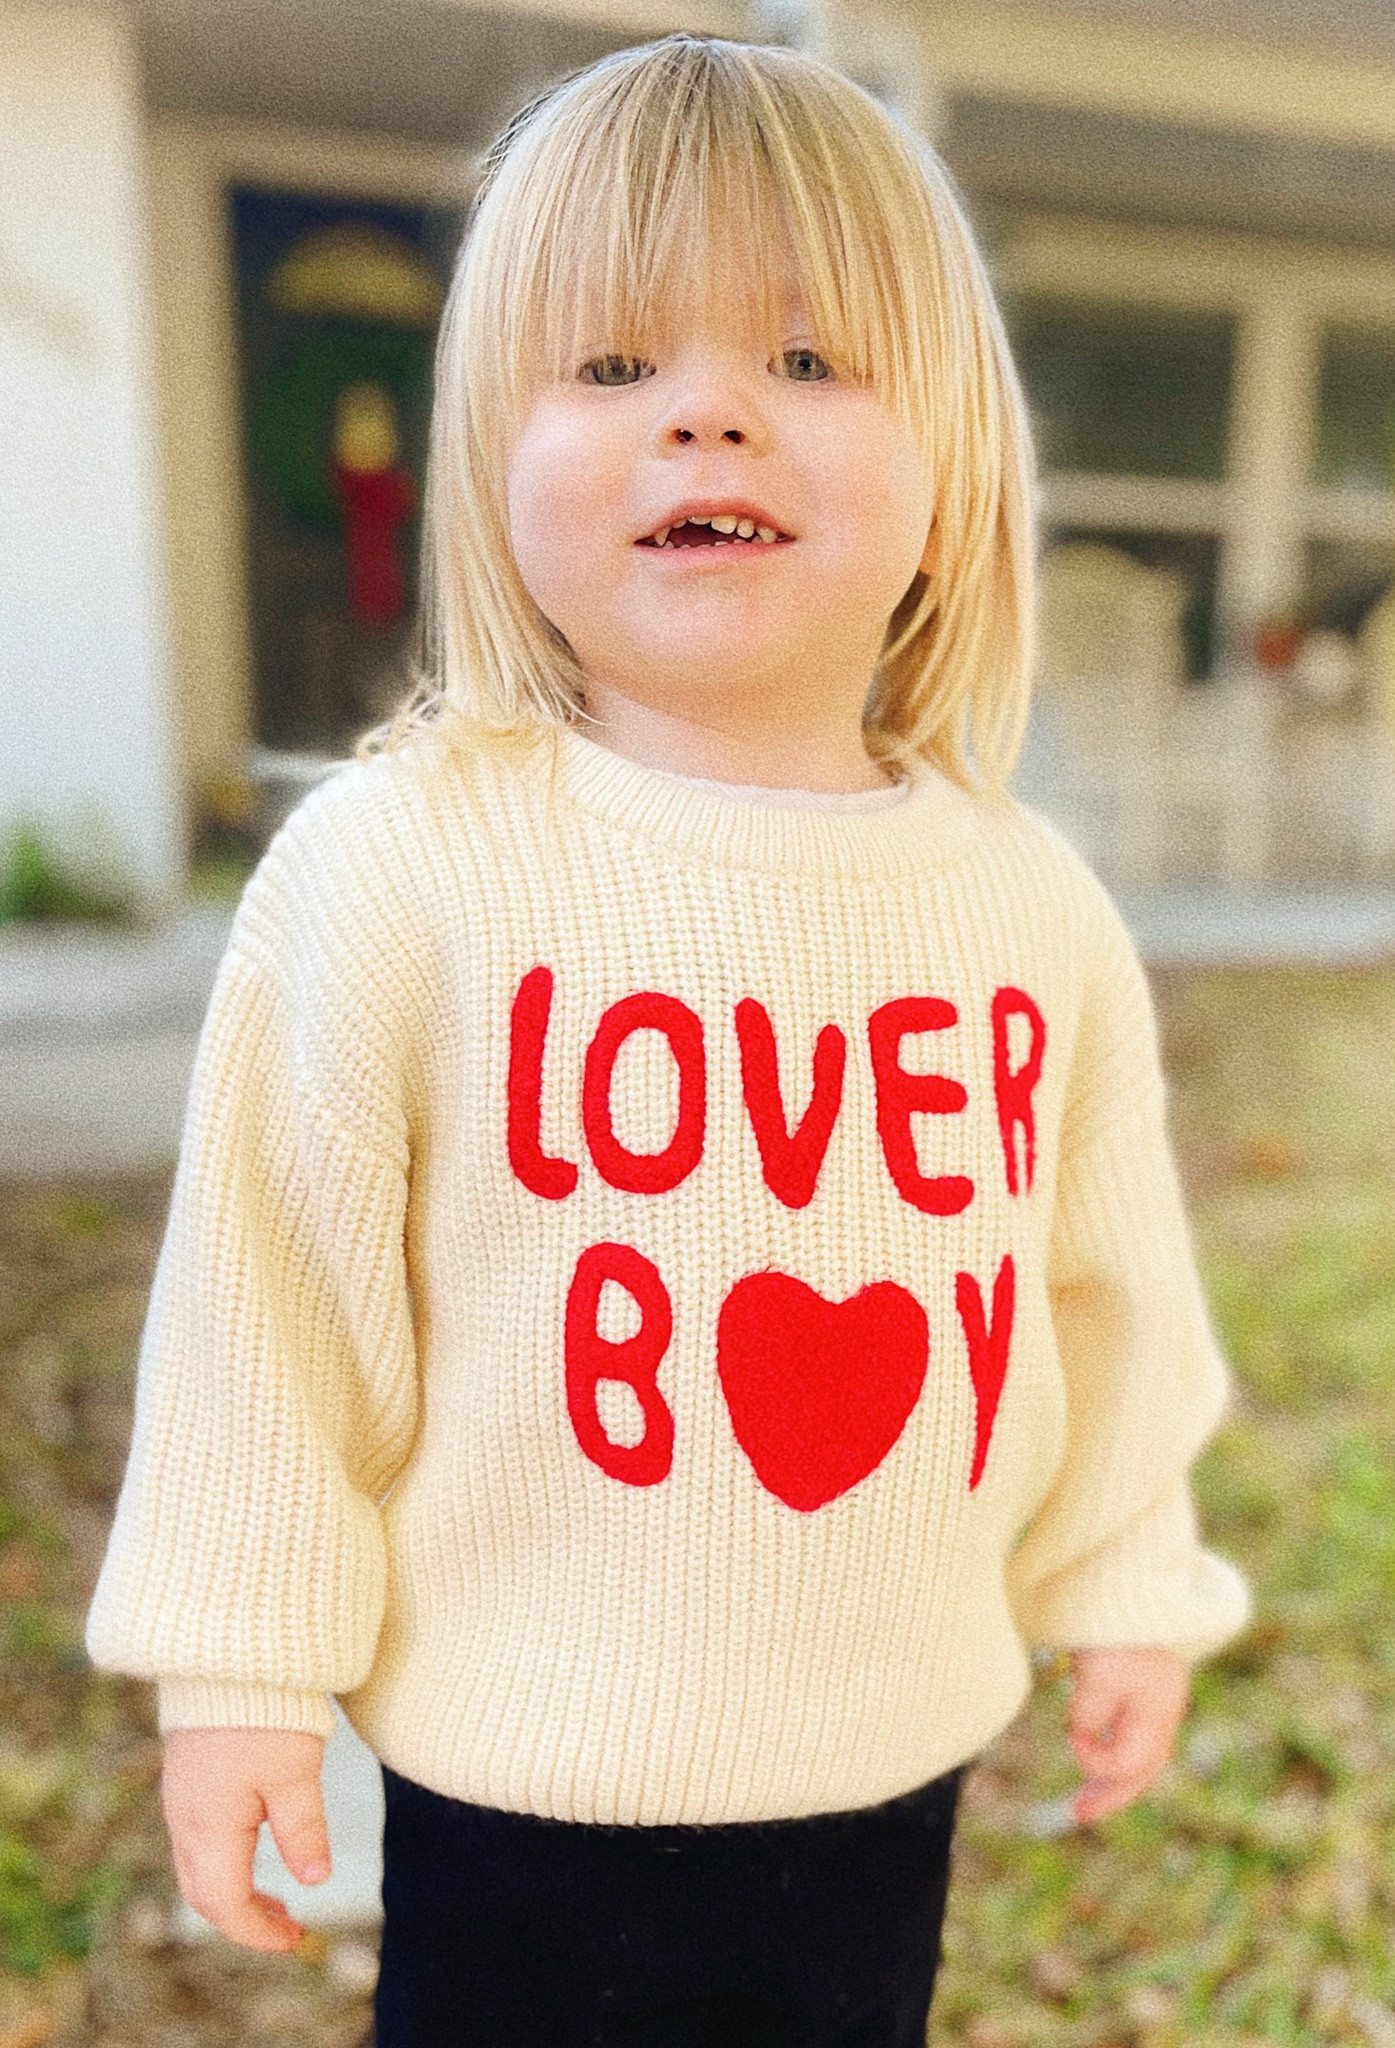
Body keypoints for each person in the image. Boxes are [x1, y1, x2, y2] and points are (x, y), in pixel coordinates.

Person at [87, 35, 1250, 2047]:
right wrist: (238, 1668)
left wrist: (1123, 1574)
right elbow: (266, 1305)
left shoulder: (1023, 909)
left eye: (805, 362)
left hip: (883, 1767)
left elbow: (1097, 1290)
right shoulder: (401, 872)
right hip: (520, 1787)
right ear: (486, 450)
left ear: (952, 455)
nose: (710, 413)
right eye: (615, 369)